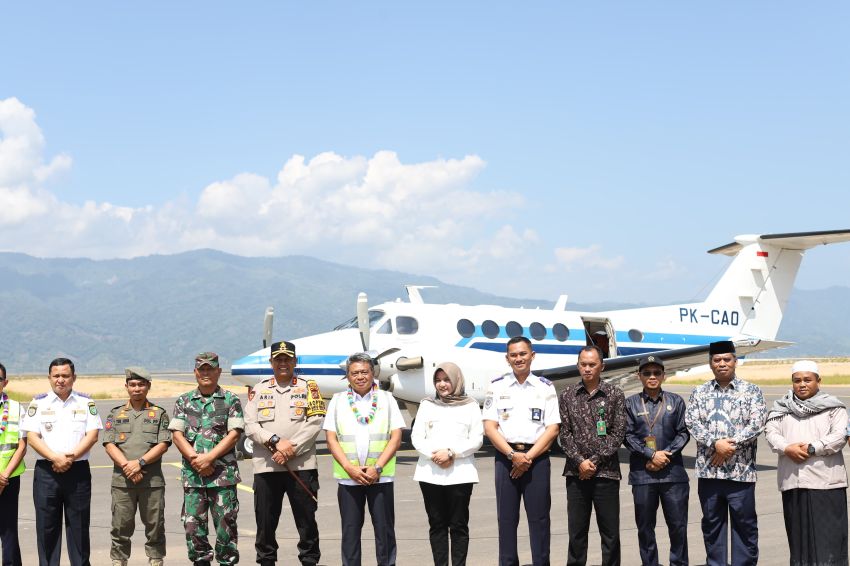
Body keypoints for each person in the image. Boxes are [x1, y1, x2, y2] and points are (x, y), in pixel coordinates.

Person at [244, 341, 327, 566]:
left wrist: (291, 449)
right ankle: (266, 561)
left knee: (306, 520)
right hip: (266, 466)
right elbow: (250, 425)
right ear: (271, 362)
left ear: (294, 361)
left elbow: (315, 421)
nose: (283, 363)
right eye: (278, 359)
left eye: (287, 359)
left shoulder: (309, 387)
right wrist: (274, 441)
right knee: (265, 522)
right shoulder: (259, 389)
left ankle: (309, 561)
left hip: (302, 467)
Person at [685, 340, 766, 566]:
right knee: (712, 527)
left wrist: (729, 446)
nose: (722, 364)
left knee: (745, 526)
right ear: (710, 363)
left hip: (741, 474)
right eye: (717, 360)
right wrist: (715, 443)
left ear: (735, 361)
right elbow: (692, 422)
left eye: (727, 359)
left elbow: (757, 423)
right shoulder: (699, 392)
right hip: (709, 474)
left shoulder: (751, 391)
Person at [483, 336, 560, 566]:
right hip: (506, 458)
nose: (518, 359)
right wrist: (512, 456)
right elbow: (490, 427)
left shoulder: (545, 387)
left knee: (539, 520)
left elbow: (553, 428)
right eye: (513, 355)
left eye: (523, 354)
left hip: (536, 460)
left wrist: (527, 457)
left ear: (532, 356)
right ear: (507, 359)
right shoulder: (497, 386)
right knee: (506, 520)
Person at [20, 357, 103, 566]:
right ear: (49, 378)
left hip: (78, 472)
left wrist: (70, 457)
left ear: (74, 378)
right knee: (47, 528)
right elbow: (32, 437)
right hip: (47, 472)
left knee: (79, 528)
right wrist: (54, 457)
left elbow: (92, 435)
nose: (60, 380)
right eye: (56, 376)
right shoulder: (38, 403)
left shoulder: (86, 403)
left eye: (65, 376)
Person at [764, 360, 848, 566]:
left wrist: (812, 447)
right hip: (793, 483)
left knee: (829, 543)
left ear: (818, 381)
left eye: (807, 380)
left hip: (826, 485)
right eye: (797, 380)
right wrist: (787, 448)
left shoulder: (834, 408)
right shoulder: (781, 409)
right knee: (799, 544)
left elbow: (839, 436)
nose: (802, 384)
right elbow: (771, 433)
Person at [324, 353, 405, 566]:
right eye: (355, 373)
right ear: (348, 376)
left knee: (385, 532)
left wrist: (377, 468)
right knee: (350, 533)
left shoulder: (387, 399)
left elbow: (396, 437)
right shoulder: (338, 400)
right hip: (349, 478)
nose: (360, 377)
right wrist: (350, 468)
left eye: (364, 372)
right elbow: (331, 439)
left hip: (380, 478)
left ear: (373, 373)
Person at [169, 352, 244, 566]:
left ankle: (226, 562)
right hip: (194, 477)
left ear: (219, 371)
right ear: (195, 373)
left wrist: (209, 458)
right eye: (201, 369)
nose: (206, 373)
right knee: (193, 527)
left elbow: (235, 433)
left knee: (226, 527)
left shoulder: (231, 399)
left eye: (210, 368)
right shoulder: (184, 401)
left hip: (223, 477)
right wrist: (196, 460)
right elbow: (177, 434)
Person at [558, 345, 626, 566]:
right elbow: (564, 434)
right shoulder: (568, 395)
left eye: (592, 364)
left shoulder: (615, 394)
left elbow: (618, 433)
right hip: (576, 475)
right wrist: (580, 462)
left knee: (610, 534)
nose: (587, 369)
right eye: (583, 364)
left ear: (602, 366)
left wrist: (594, 462)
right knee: (577, 534)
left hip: (606, 474)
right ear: (578, 365)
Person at [411, 362, 484, 566]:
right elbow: (417, 437)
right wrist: (435, 456)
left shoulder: (470, 405)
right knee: (437, 524)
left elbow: (477, 438)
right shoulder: (426, 404)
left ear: (456, 380)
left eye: (446, 379)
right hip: (430, 474)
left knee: (459, 525)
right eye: (438, 380)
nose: (442, 384)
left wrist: (451, 453)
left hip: (460, 474)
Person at [623, 356, 690, 566]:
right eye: (647, 373)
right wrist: (651, 455)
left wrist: (664, 455)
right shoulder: (630, 403)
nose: (652, 377)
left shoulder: (676, 401)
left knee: (678, 526)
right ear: (639, 376)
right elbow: (627, 435)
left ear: (664, 375)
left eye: (656, 373)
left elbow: (684, 432)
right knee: (645, 528)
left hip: (673, 474)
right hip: (643, 475)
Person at [102, 367, 172, 566]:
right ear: (126, 387)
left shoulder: (159, 414)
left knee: (155, 526)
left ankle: (156, 561)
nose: (137, 388)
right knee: (120, 527)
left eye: (141, 384)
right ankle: (119, 561)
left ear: (148, 386)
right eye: (132, 385)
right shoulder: (115, 414)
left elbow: (164, 444)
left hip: (152, 482)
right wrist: (127, 466)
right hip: (122, 482)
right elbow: (109, 443)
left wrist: (140, 463)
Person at [0, 362, 27, 566]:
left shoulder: (16, 408)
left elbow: (22, 445)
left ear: (5, 382)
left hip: (8, 480)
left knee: (8, 529)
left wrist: (4, 476)